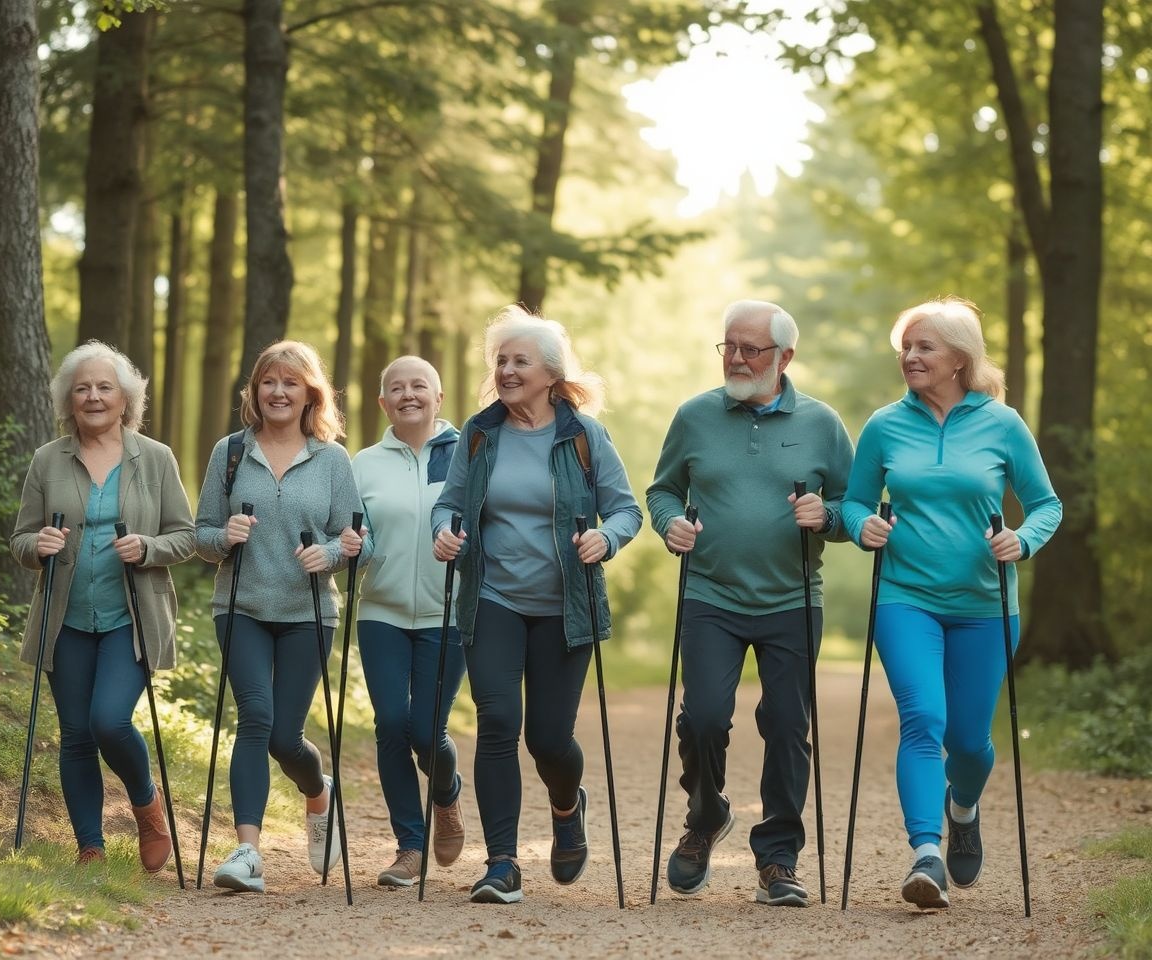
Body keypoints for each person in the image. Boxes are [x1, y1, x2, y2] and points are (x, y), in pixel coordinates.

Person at [841, 297, 1061, 910]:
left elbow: (1047, 504)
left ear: (960, 359)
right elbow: (854, 502)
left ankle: (962, 807)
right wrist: (863, 527)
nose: (910, 357)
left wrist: (1024, 539)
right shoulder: (885, 425)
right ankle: (926, 853)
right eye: (905, 348)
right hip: (905, 599)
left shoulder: (1002, 423)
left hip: (986, 605)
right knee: (923, 721)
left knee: (968, 739)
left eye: (924, 347)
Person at [646, 299, 854, 908]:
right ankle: (706, 815)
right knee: (705, 717)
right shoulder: (694, 416)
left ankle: (779, 857)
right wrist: (669, 525)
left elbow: (852, 505)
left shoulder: (822, 423)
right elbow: (662, 489)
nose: (735, 358)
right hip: (710, 593)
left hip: (793, 598)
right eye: (728, 346)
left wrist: (829, 516)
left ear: (785, 357)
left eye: (750, 349)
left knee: (788, 725)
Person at [432, 305, 643, 904]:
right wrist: (444, 531)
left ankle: (566, 803)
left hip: (564, 607)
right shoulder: (478, 433)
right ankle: (501, 864)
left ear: (551, 373)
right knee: (498, 723)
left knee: (549, 738)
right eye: (500, 360)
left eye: (520, 360)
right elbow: (447, 504)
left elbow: (627, 509)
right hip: (492, 597)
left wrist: (607, 537)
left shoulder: (582, 436)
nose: (506, 369)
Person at [10, 341, 196, 869]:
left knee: (109, 721)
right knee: (74, 735)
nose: (93, 396)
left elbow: (185, 535)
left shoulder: (154, 458)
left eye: (104, 387)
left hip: (131, 617)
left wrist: (148, 547)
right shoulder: (48, 460)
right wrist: (37, 545)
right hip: (65, 617)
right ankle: (90, 845)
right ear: (69, 401)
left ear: (125, 398)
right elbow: (20, 538)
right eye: (82, 388)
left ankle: (147, 806)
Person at [195, 340, 363, 894]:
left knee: (285, 738)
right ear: (255, 390)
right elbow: (201, 534)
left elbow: (358, 535)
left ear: (309, 393)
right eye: (269, 381)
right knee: (256, 720)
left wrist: (333, 554)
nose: (279, 392)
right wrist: (225, 537)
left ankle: (320, 794)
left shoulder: (332, 459)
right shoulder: (232, 452)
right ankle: (248, 851)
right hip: (240, 605)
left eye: (291, 382)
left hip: (308, 612)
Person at [350, 356, 466, 888]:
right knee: (392, 725)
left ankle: (446, 794)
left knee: (427, 728)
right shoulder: (363, 464)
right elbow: (356, 534)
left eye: (420, 385)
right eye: (396, 387)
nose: (408, 394)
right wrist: (354, 548)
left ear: (438, 398)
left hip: (451, 612)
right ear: (383, 403)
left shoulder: (471, 452)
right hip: (382, 612)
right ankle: (410, 846)